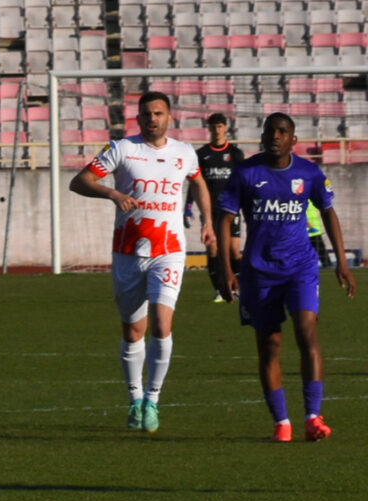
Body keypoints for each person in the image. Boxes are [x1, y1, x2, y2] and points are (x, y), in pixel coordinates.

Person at [69, 91, 215, 434]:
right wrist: (113, 193)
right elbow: (80, 181)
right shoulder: (122, 149)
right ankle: (134, 399)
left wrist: (208, 220)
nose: (153, 119)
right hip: (128, 251)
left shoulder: (184, 153)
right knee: (134, 330)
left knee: (162, 325)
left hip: (170, 250)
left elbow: (199, 183)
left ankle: (153, 400)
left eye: (159, 113)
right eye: (147, 114)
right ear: (138, 117)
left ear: (169, 117)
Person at [217, 113, 355, 442]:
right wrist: (225, 268)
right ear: (263, 136)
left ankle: (312, 416)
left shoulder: (308, 173)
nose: (275, 136)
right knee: (270, 345)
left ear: (293, 139)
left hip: (300, 267)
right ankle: (282, 423)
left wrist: (341, 261)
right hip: (258, 271)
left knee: (307, 332)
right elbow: (225, 218)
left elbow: (327, 210)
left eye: (282, 132)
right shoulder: (246, 172)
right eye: (270, 131)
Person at [194, 113, 244, 303]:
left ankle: (238, 287)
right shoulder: (202, 154)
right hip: (210, 210)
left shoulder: (236, 154)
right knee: (213, 249)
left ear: (226, 128)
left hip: (231, 209)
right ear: (209, 129)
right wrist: (190, 206)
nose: (217, 130)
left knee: (234, 250)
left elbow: (244, 181)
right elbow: (196, 183)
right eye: (214, 127)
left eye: (220, 126)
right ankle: (219, 289)